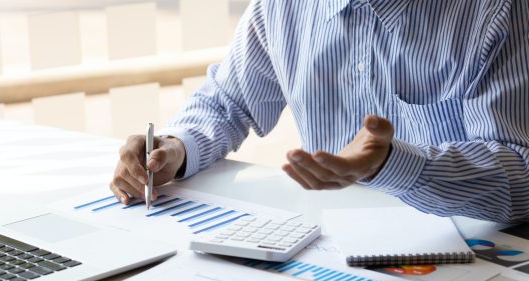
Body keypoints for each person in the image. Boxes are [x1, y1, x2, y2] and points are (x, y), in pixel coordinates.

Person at [110, 0, 529, 223]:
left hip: (476, 267)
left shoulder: (496, 9)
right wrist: (176, 147)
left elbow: (522, 179)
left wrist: (392, 165)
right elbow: (228, 102)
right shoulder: (283, 7)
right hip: (329, 246)